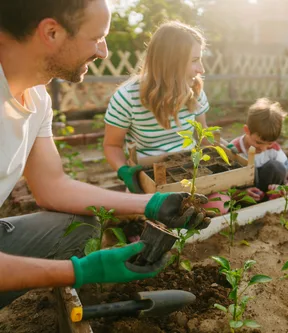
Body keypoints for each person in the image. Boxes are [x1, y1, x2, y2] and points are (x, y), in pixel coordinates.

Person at [0, 0, 213, 309]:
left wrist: (150, 204)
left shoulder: (37, 98)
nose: (103, 51)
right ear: (51, 32)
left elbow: (52, 187)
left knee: (79, 225)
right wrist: (81, 271)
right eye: (97, 37)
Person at [103, 21, 210, 194]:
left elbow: (203, 132)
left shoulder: (194, 91)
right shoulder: (127, 97)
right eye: (195, 61)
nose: (201, 69)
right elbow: (112, 145)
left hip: (189, 170)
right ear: (170, 63)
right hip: (149, 176)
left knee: (221, 206)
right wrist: (124, 171)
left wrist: (228, 147)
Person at [205, 98, 288, 214]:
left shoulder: (273, 148)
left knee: (277, 168)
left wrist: (285, 188)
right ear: (247, 130)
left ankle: (269, 204)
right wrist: (241, 194)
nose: (263, 148)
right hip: (244, 200)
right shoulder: (235, 149)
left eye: (269, 143)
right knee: (248, 168)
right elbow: (224, 186)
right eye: (258, 142)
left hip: (267, 196)